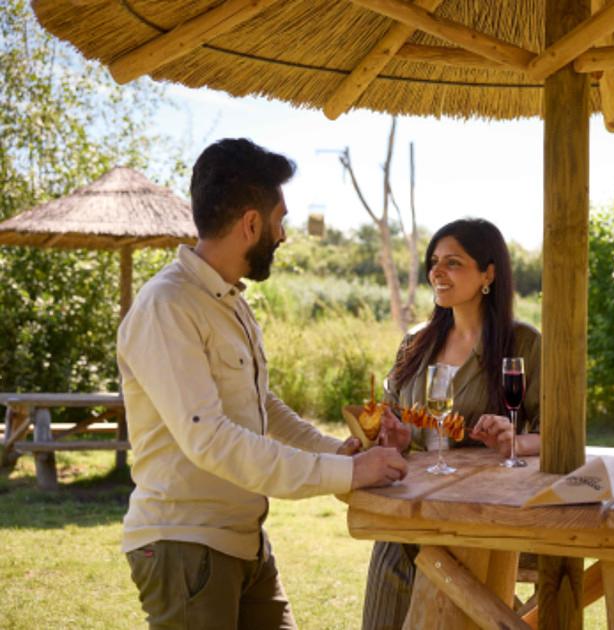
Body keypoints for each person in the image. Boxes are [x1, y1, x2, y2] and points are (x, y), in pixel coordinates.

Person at [117, 138, 408, 630]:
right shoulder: (167, 306)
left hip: (243, 542)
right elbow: (210, 439)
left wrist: (340, 454)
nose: (284, 235)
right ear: (251, 223)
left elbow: (260, 404)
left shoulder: (229, 301)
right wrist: (347, 476)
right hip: (187, 545)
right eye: (280, 220)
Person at [361, 218, 541, 630]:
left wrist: (516, 441)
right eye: (434, 262)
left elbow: (559, 437)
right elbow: (390, 420)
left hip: (482, 511)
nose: (437, 272)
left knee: (454, 587)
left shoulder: (525, 345)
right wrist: (396, 436)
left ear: (488, 274)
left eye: (453, 262)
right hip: (413, 501)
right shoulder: (415, 341)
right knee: (396, 553)